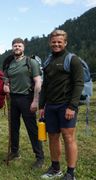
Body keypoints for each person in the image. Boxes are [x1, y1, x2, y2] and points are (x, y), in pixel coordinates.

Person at [39, 30, 83, 180]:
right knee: (52, 136)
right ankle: (55, 168)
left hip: (66, 105)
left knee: (68, 137)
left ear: (65, 43)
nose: (56, 44)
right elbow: (45, 85)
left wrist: (72, 106)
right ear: (50, 43)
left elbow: (78, 84)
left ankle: (71, 173)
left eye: (59, 42)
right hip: (50, 106)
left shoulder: (73, 60)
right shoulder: (48, 61)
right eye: (54, 42)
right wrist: (41, 106)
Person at [3, 38, 44, 169]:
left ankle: (39, 157)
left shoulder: (30, 62)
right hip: (13, 99)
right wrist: (6, 85)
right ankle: (15, 152)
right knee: (13, 127)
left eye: (19, 46)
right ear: (12, 48)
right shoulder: (9, 63)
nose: (17, 48)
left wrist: (35, 101)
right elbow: (6, 77)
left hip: (27, 98)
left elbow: (38, 82)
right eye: (15, 46)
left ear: (23, 47)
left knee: (32, 128)